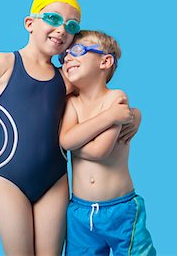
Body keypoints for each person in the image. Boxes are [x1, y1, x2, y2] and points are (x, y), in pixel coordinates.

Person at [0, 0, 139, 255]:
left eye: (71, 25)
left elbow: (99, 96)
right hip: (10, 179)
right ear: (30, 23)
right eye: (54, 19)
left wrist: (135, 115)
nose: (61, 29)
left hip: (54, 182)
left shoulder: (66, 78)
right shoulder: (5, 63)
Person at [60, 30, 156, 256]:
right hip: (80, 211)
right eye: (64, 55)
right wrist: (109, 118)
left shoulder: (115, 98)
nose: (67, 58)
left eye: (77, 51)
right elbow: (66, 139)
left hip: (120, 209)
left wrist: (75, 139)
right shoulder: (72, 103)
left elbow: (99, 150)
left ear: (105, 61)